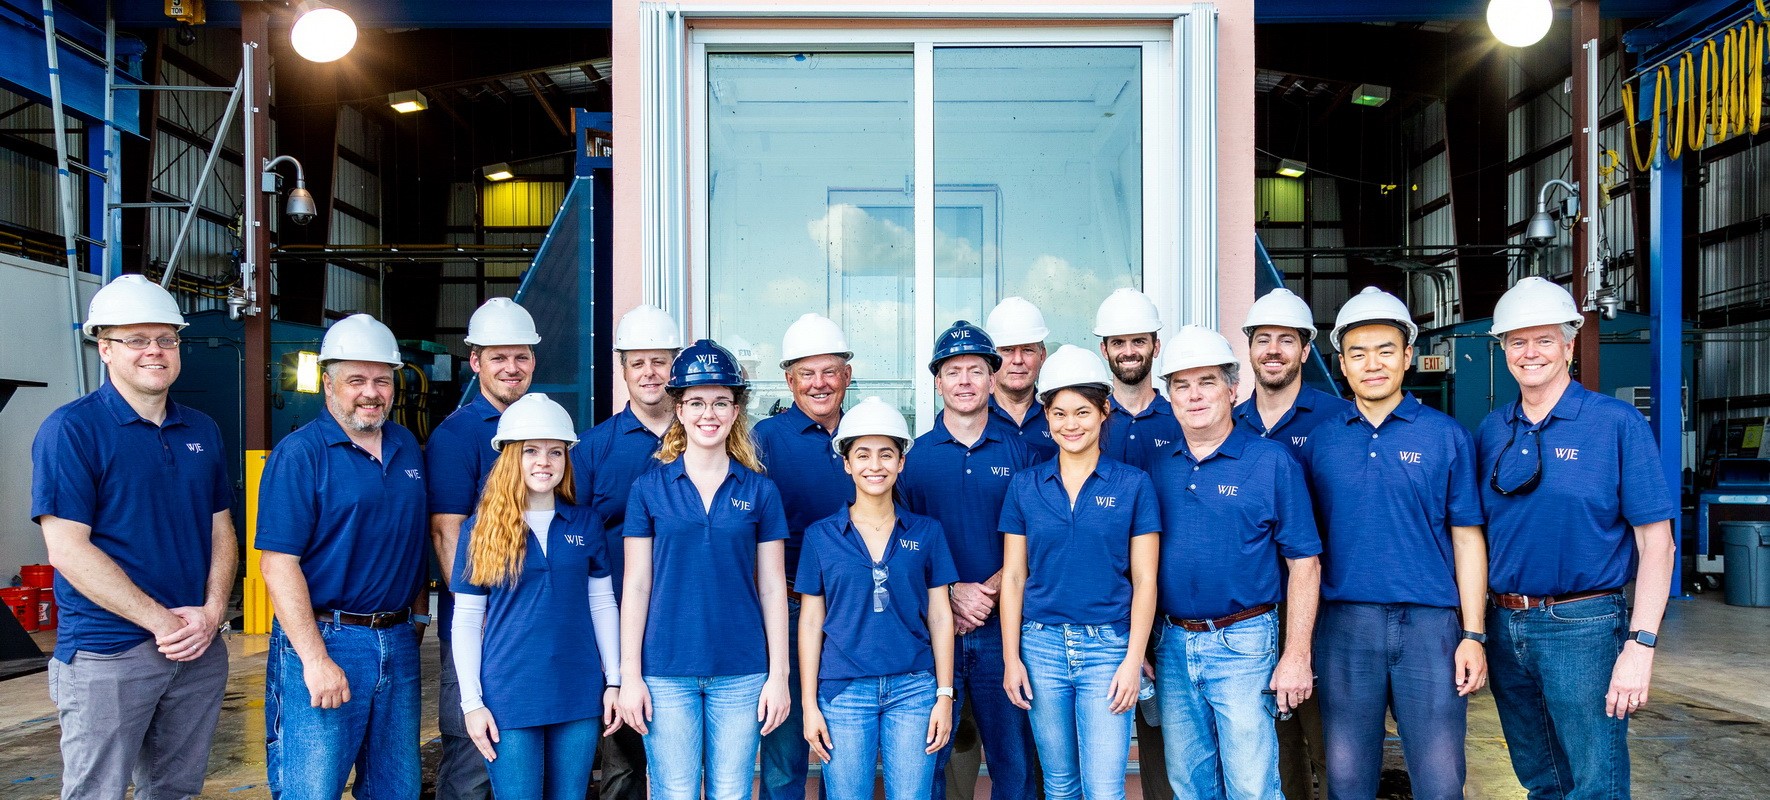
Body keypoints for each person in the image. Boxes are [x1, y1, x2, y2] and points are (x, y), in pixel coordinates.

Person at [31, 275, 235, 798]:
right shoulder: (72, 430)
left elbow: (221, 528)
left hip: (197, 647)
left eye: (166, 339)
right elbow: (67, 550)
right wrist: (163, 623)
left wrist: (213, 613)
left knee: (176, 789)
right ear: (105, 348)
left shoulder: (202, 429)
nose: (154, 351)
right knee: (97, 791)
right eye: (136, 340)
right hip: (108, 652)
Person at [1477, 277, 1676, 799]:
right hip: (1504, 623)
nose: (1530, 353)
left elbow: (1658, 543)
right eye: (1517, 341)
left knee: (1594, 785)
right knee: (1540, 780)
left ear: (1569, 346)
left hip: (1583, 627)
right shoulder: (1492, 430)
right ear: (1503, 350)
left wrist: (1641, 644)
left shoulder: (1615, 423)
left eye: (1544, 340)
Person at [1302, 287, 1488, 800]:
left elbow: (1467, 539)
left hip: (1430, 627)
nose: (1373, 364)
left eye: (1385, 350)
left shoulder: (1446, 436)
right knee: (1347, 780)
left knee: (1440, 781)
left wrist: (1474, 634)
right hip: (1344, 626)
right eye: (1358, 353)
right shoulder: (1322, 442)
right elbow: (1303, 551)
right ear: (1342, 364)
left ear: (1408, 356)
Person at [257, 314, 429, 798]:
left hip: (397, 640)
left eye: (381, 380)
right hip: (327, 639)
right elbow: (277, 564)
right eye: (356, 380)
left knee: (397, 789)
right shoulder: (300, 454)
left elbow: (412, 539)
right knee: (312, 788)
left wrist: (416, 618)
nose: (370, 393)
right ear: (328, 383)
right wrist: (315, 659)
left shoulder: (406, 446)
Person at [616, 339, 793, 800]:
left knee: (731, 791)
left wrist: (779, 675)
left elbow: (772, 588)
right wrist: (630, 675)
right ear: (678, 409)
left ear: (736, 411)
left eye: (720, 402)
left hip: (742, 669)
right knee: (675, 791)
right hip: (665, 669)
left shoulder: (760, 492)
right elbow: (636, 586)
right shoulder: (648, 489)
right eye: (696, 402)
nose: (707, 414)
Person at [1150, 325, 1321, 800]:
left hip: (1243, 643)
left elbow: (1305, 564)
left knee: (1251, 785)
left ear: (1232, 389)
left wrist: (1296, 654)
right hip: (1171, 644)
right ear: (1169, 397)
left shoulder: (1270, 462)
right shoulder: (1158, 469)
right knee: (1190, 784)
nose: (1194, 395)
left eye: (1206, 382)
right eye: (1181, 385)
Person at [999, 345, 1161, 800]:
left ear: (1105, 411)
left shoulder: (1133, 484)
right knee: (1059, 784)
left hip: (1107, 649)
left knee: (1105, 788)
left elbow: (1145, 580)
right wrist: (1012, 659)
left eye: (1083, 412)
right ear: (1046, 417)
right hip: (1041, 647)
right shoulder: (1025, 486)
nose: (1071, 424)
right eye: (1059, 413)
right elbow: (1014, 578)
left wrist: (1132, 660)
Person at [451, 394, 623, 799]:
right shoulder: (479, 529)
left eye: (555, 452)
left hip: (578, 690)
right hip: (508, 694)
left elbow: (602, 606)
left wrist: (614, 680)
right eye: (531, 451)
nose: (544, 461)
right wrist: (472, 703)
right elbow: (467, 621)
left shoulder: (586, 523)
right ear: (511, 457)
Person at [900, 320, 1040, 800]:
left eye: (975, 370)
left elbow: (1039, 537)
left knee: (1014, 767)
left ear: (992, 379)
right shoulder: (912, 459)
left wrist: (989, 591)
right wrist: (952, 593)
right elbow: (898, 544)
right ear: (937, 382)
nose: (964, 381)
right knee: (929, 763)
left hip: (1005, 632)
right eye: (953, 371)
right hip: (932, 632)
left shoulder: (1022, 454)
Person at [798, 397, 957, 799]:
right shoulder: (820, 536)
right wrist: (809, 704)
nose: (875, 465)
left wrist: (944, 694)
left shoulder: (927, 532)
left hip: (914, 690)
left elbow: (940, 616)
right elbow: (811, 622)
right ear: (847, 463)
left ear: (901, 462)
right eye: (863, 455)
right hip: (844, 690)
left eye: (886, 454)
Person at [1233, 287, 1347, 800]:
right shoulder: (1230, 423)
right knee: (1275, 752)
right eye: (1263, 339)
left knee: (1333, 748)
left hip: (1327, 607)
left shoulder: (1339, 419)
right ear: (1249, 348)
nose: (1273, 350)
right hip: (1254, 612)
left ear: (1305, 349)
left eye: (1286, 339)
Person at [425, 296, 541, 800]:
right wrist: (480, 614)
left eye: (521, 356)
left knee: (525, 754)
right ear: (475, 362)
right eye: (498, 357)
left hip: (533, 624)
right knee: (474, 757)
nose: (511, 368)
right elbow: (445, 531)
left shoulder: (542, 425)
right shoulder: (457, 435)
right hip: (483, 626)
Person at [572, 303, 682, 798]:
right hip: (618, 623)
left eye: (659, 361)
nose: (649, 372)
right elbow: (576, 540)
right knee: (622, 766)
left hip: (687, 621)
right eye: (638, 363)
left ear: (675, 366)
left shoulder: (705, 438)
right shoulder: (593, 449)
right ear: (622, 369)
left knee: (688, 765)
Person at [753, 312, 857, 800]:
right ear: (789, 380)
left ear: (847, 375)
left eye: (829, 372)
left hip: (858, 611)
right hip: (791, 609)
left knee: (849, 747)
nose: (819, 384)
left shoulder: (867, 434)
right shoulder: (764, 440)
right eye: (806, 374)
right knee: (784, 754)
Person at [1094, 288, 1180, 471]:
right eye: (1118, 343)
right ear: (1104, 350)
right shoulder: (1090, 420)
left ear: (1156, 347)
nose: (1129, 352)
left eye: (1139, 341)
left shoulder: (1180, 419)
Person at [985, 297, 1057, 462]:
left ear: (1042, 355)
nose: (1018, 360)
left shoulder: (1061, 414)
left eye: (1027, 350)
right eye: (1007, 350)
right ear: (992, 358)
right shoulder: (973, 415)